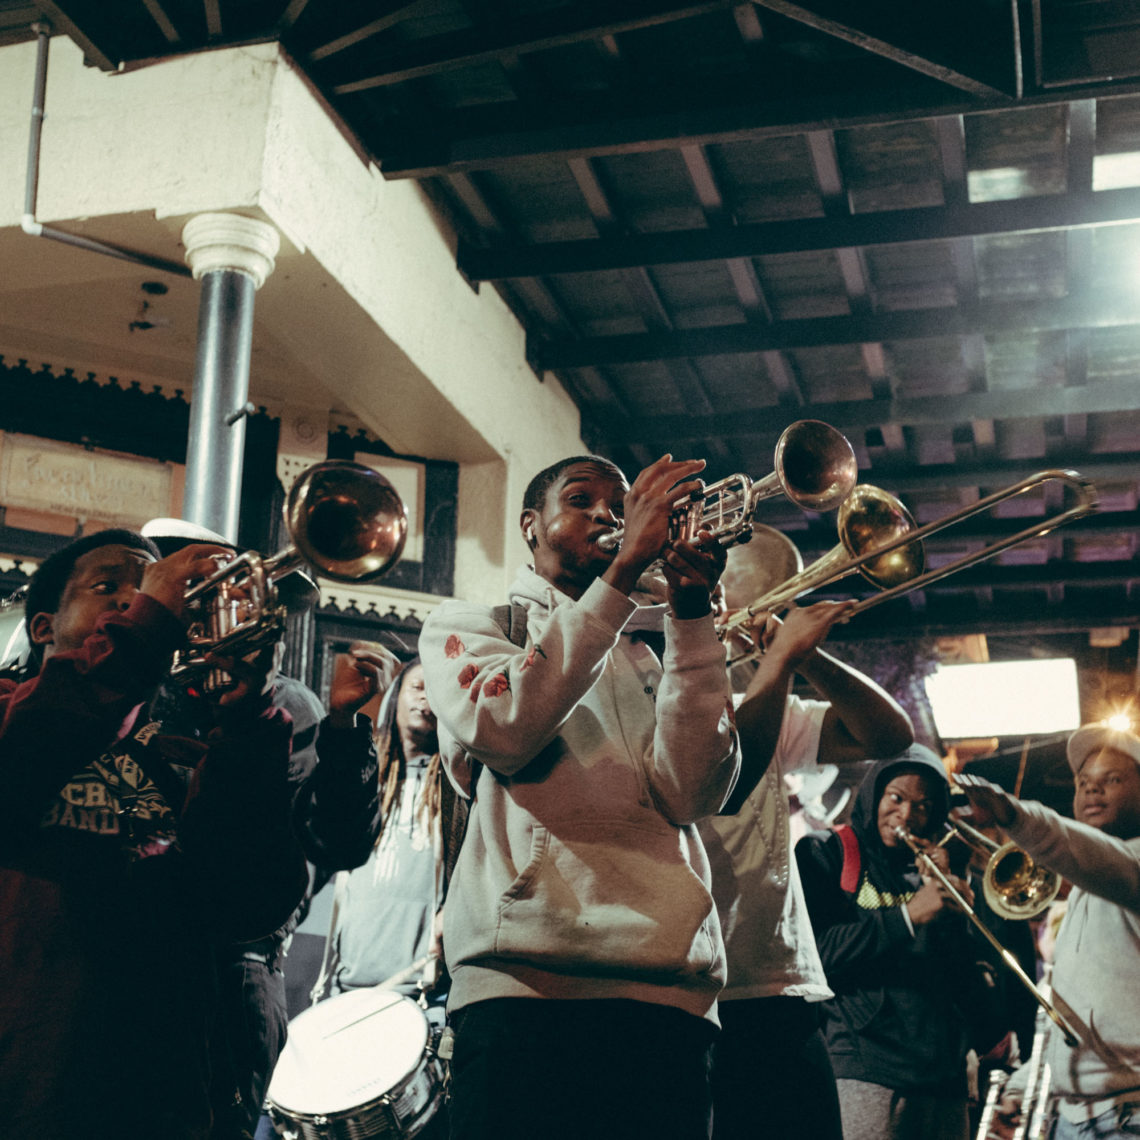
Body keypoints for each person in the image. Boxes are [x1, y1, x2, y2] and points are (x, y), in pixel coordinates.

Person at [418, 452, 741, 1140]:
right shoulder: (472, 624)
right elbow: (505, 729)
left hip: (667, 998)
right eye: (582, 499)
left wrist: (691, 616)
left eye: (619, 505)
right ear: (531, 526)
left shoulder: (653, 657)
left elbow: (693, 794)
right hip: (523, 992)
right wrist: (624, 574)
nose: (607, 514)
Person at [0, 529, 308, 1140]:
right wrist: (145, 630)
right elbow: (27, 759)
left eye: (144, 587)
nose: (132, 598)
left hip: (158, 1091)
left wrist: (246, 729)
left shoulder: (182, 743)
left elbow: (247, 902)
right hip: (25, 1075)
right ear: (43, 627)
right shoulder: (13, 709)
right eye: (107, 585)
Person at [139, 518, 389, 1140]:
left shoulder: (292, 705)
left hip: (238, 971)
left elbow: (339, 843)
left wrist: (343, 731)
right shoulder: (126, 685)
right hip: (115, 953)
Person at [700, 599, 915, 1140]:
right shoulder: (635, 695)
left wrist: (802, 654)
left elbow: (889, 736)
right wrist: (782, 660)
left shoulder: (762, 705)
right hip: (688, 988)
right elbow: (727, 782)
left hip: (776, 987)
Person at [796, 744, 997, 1140]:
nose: (907, 815)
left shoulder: (936, 868)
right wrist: (909, 916)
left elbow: (960, 976)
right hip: (869, 1069)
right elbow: (817, 954)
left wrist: (954, 915)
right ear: (874, 794)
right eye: (896, 798)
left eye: (923, 806)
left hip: (945, 1077)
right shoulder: (826, 852)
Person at [958, 722, 1140, 1139]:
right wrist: (1023, 1087)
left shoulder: (1131, 867)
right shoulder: (1083, 894)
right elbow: (1069, 1018)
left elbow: (1085, 852)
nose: (1093, 790)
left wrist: (1014, 815)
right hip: (1077, 1116)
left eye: (1111, 780)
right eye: (1083, 782)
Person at [319, 657, 463, 999]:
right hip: (348, 987)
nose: (426, 698)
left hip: (422, 993)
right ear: (395, 698)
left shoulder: (459, 790)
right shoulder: (366, 778)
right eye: (417, 687)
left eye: (437, 691)